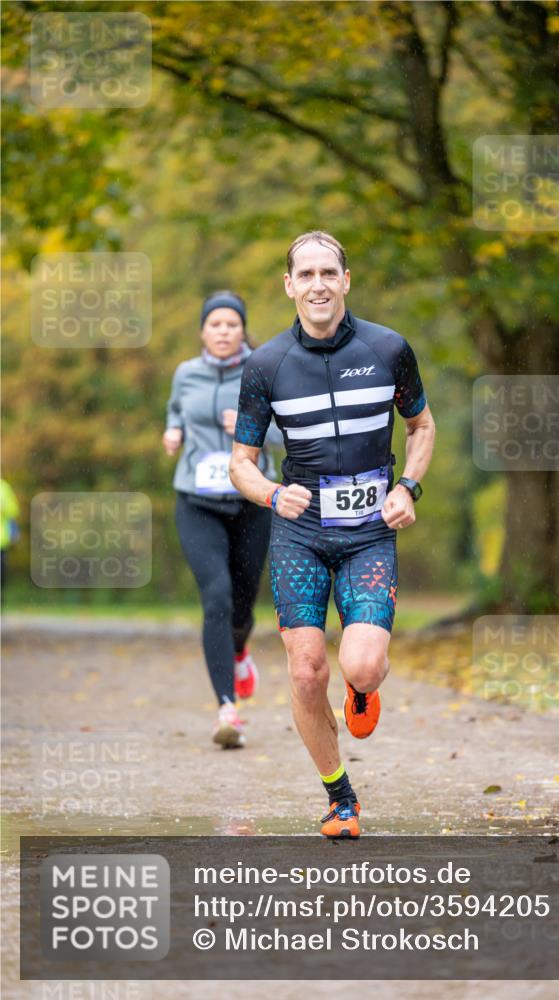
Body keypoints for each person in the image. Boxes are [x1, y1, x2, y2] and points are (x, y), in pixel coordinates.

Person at [230, 232, 435, 837]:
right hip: (301, 531)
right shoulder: (265, 365)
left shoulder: (389, 348)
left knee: (363, 666)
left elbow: (421, 427)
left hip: (371, 531)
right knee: (305, 671)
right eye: (306, 274)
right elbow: (239, 462)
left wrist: (408, 488)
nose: (318, 284)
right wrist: (271, 493)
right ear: (289, 285)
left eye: (329, 272)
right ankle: (340, 797)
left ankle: (364, 691)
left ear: (345, 280)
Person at [163, 291, 282, 748]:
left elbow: (284, 434)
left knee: (242, 600)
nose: (224, 331)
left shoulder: (264, 371)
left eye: (233, 324)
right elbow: (177, 409)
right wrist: (173, 429)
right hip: (197, 499)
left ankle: (238, 650)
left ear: (242, 330)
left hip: (252, 498)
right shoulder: (186, 374)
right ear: (203, 331)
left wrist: (251, 431)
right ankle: (227, 708)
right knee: (215, 595)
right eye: (216, 324)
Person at [0, 479, 20, 604]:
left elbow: (13, 510)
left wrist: (4, 507)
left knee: (1, 571)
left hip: (1, 539)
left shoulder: (4, 488)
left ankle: (1, 597)